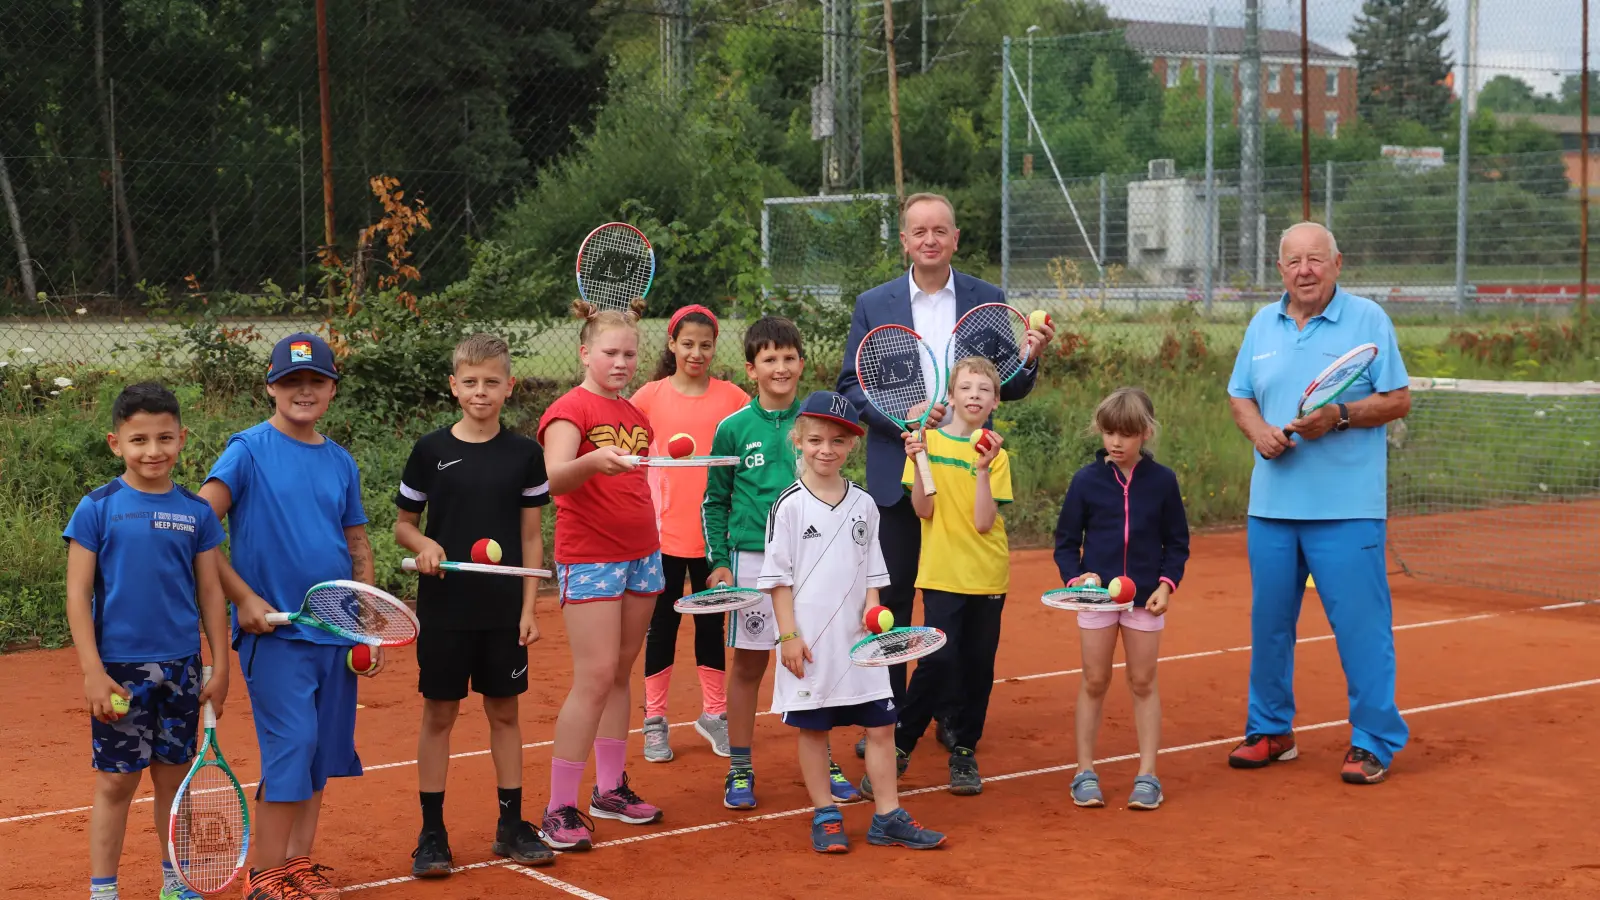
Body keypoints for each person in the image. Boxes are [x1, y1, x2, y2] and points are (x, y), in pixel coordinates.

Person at [838, 192, 1054, 756]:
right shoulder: (873, 303)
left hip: (966, 485)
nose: (930, 239)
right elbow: (850, 386)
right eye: (918, 231)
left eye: (941, 230)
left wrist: (1030, 357)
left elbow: (1013, 383)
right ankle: (889, 719)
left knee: (957, 612)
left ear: (955, 238)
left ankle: (954, 723)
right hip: (900, 478)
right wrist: (901, 419)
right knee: (895, 608)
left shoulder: (988, 299)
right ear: (905, 240)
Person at [1225, 222, 1412, 785]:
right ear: (1279, 269)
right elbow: (1241, 396)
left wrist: (1341, 416)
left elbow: (1398, 399)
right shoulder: (1263, 323)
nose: (1304, 270)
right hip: (1273, 508)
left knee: (1361, 627)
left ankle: (1373, 740)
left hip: (1347, 508)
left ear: (1337, 263)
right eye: (1292, 261)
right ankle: (1271, 731)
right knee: (1271, 626)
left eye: (1315, 259)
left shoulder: (1368, 319)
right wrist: (1258, 432)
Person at [198, 333, 378, 900]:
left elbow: (357, 546)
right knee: (293, 746)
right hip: (274, 636)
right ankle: (265, 875)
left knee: (322, 752)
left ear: (331, 389)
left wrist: (366, 622)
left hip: (335, 631)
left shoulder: (340, 460)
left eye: (316, 381)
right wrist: (244, 599)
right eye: (291, 381)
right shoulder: (247, 450)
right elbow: (200, 526)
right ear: (271, 387)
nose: (304, 391)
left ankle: (297, 865)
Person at [64, 382, 232, 900]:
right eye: (139, 440)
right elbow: (77, 595)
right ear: (116, 443)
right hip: (119, 672)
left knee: (173, 781)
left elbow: (210, 592)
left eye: (164, 438)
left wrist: (220, 665)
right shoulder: (97, 508)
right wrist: (92, 670)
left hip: (182, 667)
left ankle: (175, 882)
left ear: (182, 438)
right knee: (116, 783)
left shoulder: (196, 512)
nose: (153, 451)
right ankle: (104, 891)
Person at [396, 333, 555, 876]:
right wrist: (425, 547)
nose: (481, 391)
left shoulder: (525, 455)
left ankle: (510, 824)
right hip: (444, 610)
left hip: (502, 610)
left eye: (492, 382)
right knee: (439, 713)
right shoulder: (430, 451)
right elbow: (402, 525)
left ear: (509, 387)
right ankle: (432, 832)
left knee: (504, 713)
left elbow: (532, 540)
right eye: (470, 382)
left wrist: (529, 609)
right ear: (453, 386)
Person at [761, 390, 948, 854]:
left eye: (839, 441)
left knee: (882, 727)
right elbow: (778, 580)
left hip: (861, 641)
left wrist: (873, 614)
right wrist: (787, 634)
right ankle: (826, 813)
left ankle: (887, 815)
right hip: (809, 642)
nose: (827, 449)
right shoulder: (788, 505)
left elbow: (872, 571)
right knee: (814, 728)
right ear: (798, 441)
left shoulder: (865, 503)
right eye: (817, 439)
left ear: (852, 447)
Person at [702, 316, 862, 809]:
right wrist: (719, 562)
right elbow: (715, 501)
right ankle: (741, 767)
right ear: (751, 368)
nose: (780, 367)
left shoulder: (815, 426)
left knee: (811, 657)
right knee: (749, 664)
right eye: (769, 359)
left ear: (801, 363)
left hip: (812, 562)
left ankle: (824, 756)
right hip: (750, 560)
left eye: (789, 357)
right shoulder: (732, 429)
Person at [535, 299, 665, 853]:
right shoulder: (571, 409)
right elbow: (553, 479)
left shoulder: (636, 415)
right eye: (610, 352)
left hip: (642, 554)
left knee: (620, 673)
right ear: (585, 352)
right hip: (590, 557)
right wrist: (593, 461)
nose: (621, 362)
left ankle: (609, 789)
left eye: (630, 354)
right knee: (594, 675)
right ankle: (558, 806)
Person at [880, 356, 1014, 798]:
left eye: (984, 390)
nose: (975, 395)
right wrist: (919, 463)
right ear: (951, 396)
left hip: (986, 576)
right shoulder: (927, 444)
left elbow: (982, 522)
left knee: (977, 667)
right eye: (967, 388)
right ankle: (902, 743)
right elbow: (923, 509)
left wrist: (980, 467)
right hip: (940, 573)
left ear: (995, 400)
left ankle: (963, 750)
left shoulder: (996, 454)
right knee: (937, 660)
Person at [1053, 387, 1190, 811]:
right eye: (1109, 432)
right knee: (1094, 681)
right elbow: (1065, 543)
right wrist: (1077, 580)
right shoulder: (1086, 481)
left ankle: (1148, 775)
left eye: (1126, 434)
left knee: (1143, 683)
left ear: (1145, 434)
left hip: (1144, 600)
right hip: (1097, 601)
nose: (1115, 442)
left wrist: (1166, 585)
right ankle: (1084, 772)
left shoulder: (1163, 482)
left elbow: (1177, 543)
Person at [631, 304, 747, 763]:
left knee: (710, 625)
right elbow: (621, 445)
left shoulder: (733, 399)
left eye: (705, 345)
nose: (696, 353)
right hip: (659, 537)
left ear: (714, 347)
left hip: (714, 538)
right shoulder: (649, 397)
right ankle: (655, 721)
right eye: (687, 344)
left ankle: (714, 714)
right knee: (661, 627)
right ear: (671, 345)